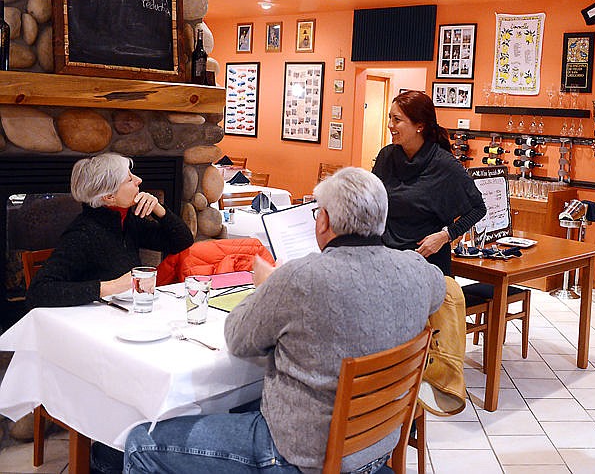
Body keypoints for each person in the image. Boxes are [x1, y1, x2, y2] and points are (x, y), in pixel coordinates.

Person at [123, 167, 445, 474]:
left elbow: (237, 337)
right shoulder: (417, 270)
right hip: (376, 444)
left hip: (298, 454)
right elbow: (439, 290)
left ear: (324, 222)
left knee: (139, 442)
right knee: (241, 404)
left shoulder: (300, 279)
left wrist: (267, 286)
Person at [25, 153, 193, 308]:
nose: (139, 180)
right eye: (129, 180)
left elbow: (181, 241)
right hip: (92, 325)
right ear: (109, 197)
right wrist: (112, 286)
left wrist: (158, 208)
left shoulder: (127, 220)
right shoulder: (82, 234)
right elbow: (38, 292)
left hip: (127, 312)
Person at [372, 90, 487, 275]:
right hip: (387, 260)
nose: (389, 125)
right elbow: (372, 204)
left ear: (420, 126)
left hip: (426, 264)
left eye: (396, 120)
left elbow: (478, 208)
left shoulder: (444, 164)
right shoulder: (386, 157)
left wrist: (445, 236)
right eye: (389, 118)